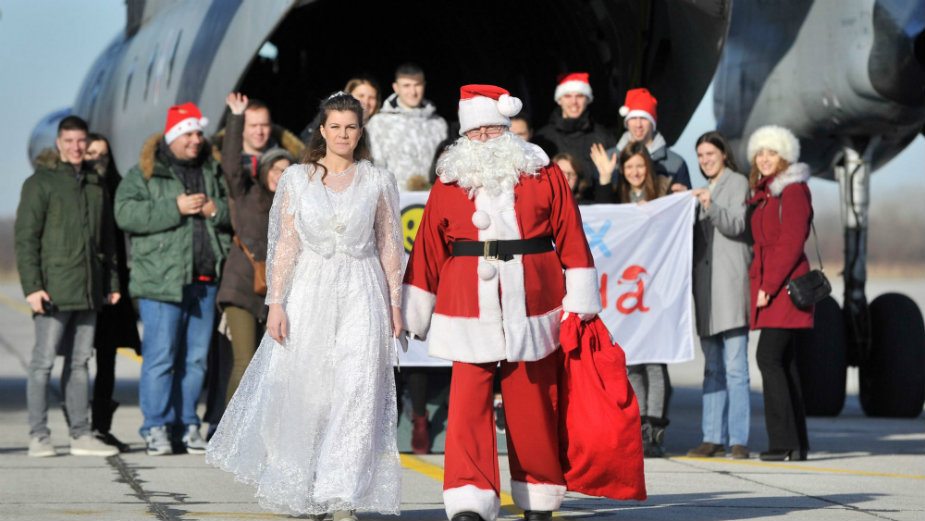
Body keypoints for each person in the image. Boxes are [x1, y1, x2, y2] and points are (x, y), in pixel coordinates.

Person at [402, 84, 601, 521]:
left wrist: (580, 296)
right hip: (467, 303)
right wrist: (415, 309)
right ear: (464, 135)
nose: (487, 139)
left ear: (509, 129)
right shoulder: (448, 182)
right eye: (478, 132)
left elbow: (570, 235)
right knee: (467, 403)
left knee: (532, 403)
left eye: (495, 129)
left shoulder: (543, 174)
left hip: (532, 302)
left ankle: (538, 494)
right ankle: (470, 497)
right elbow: (428, 250)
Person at [206, 93, 403, 520]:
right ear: (322, 130)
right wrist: (276, 303)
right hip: (309, 290)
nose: (343, 134)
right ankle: (305, 483)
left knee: (356, 391)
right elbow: (284, 246)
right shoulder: (297, 179)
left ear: (360, 131)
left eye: (351, 127)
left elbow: (390, 245)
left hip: (362, 290)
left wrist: (396, 304)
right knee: (308, 389)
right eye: (335, 126)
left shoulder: (377, 180)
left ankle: (341, 494)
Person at [114, 102, 232, 456]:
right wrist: (174, 209)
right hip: (161, 282)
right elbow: (125, 214)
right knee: (161, 358)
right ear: (175, 136)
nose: (198, 140)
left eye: (200, 133)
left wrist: (216, 211)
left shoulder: (212, 170)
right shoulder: (145, 173)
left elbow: (230, 210)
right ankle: (156, 427)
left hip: (205, 279)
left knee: (195, 359)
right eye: (191, 133)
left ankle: (186, 424)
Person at [15, 115, 121, 457]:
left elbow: (107, 240)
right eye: (69, 142)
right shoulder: (40, 183)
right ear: (59, 144)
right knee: (43, 362)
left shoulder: (95, 184)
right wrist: (33, 287)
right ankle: (39, 435)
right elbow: (26, 239)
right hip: (53, 291)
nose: (76, 148)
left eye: (81, 142)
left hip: (89, 290)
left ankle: (80, 434)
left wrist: (112, 281)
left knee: (79, 364)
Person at [216, 92, 296, 407]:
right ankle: (227, 437)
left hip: (276, 290)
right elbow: (231, 164)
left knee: (272, 369)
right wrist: (235, 118)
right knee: (244, 362)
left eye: (285, 170)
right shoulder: (245, 191)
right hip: (241, 287)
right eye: (273, 169)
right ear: (262, 171)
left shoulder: (293, 202)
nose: (278, 174)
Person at [744, 125, 814, 461]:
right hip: (773, 285)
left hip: (783, 287)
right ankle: (796, 445)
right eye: (761, 153)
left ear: (784, 156)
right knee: (784, 363)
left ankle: (783, 444)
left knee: (769, 359)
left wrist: (768, 288)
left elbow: (791, 242)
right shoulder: (766, 193)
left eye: (772, 152)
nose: (765, 158)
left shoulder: (793, 190)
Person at [687, 131, 752, 460]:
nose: (705, 160)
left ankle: (738, 438)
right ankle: (711, 436)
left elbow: (737, 223)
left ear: (723, 154)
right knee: (712, 367)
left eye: (710, 153)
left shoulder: (737, 183)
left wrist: (710, 205)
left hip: (730, 285)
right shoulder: (701, 191)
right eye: (700, 155)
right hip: (706, 288)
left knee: (736, 366)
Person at [84, 133, 141, 452]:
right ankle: (80, 424)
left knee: (107, 359)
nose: (98, 159)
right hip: (84, 285)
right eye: (92, 153)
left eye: (104, 153)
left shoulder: (119, 188)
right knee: (77, 360)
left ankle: (101, 425)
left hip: (115, 288)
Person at [615, 141, 671, 457]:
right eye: (629, 167)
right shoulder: (620, 198)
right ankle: (638, 426)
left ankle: (655, 428)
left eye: (640, 166)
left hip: (656, 290)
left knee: (655, 361)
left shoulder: (662, 194)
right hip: (627, 291)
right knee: (632, 361)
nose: (635, 172)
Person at [366, 63, 448, 191]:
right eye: (406, 86)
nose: (413, 92)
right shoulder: (379, 123)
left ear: (424, 85)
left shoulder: (438, 124)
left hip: (431, 200)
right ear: (396, 87)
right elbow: (375, 169)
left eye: (417, 85)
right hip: (395, 201)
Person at [533, 72, 615, 199]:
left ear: (588, 99)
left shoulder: (603, 137)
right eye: (567, 96)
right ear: (559, 100)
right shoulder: (543, 138)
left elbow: (613, 183)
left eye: (580, 96)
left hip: (594, 208)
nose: (574, 102)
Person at [600, 88, 691, 192]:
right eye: (633, 118)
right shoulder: (608, 159)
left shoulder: (675, 163)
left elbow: (688, 204)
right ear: (627, 123)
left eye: (644, 118)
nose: (638, 125)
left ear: (653, 123)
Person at [301, 76, 381, 141]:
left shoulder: (382, 128)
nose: (366, 102)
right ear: (348, 96)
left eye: (372, 98)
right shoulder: (327, 118)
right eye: (361, 96)